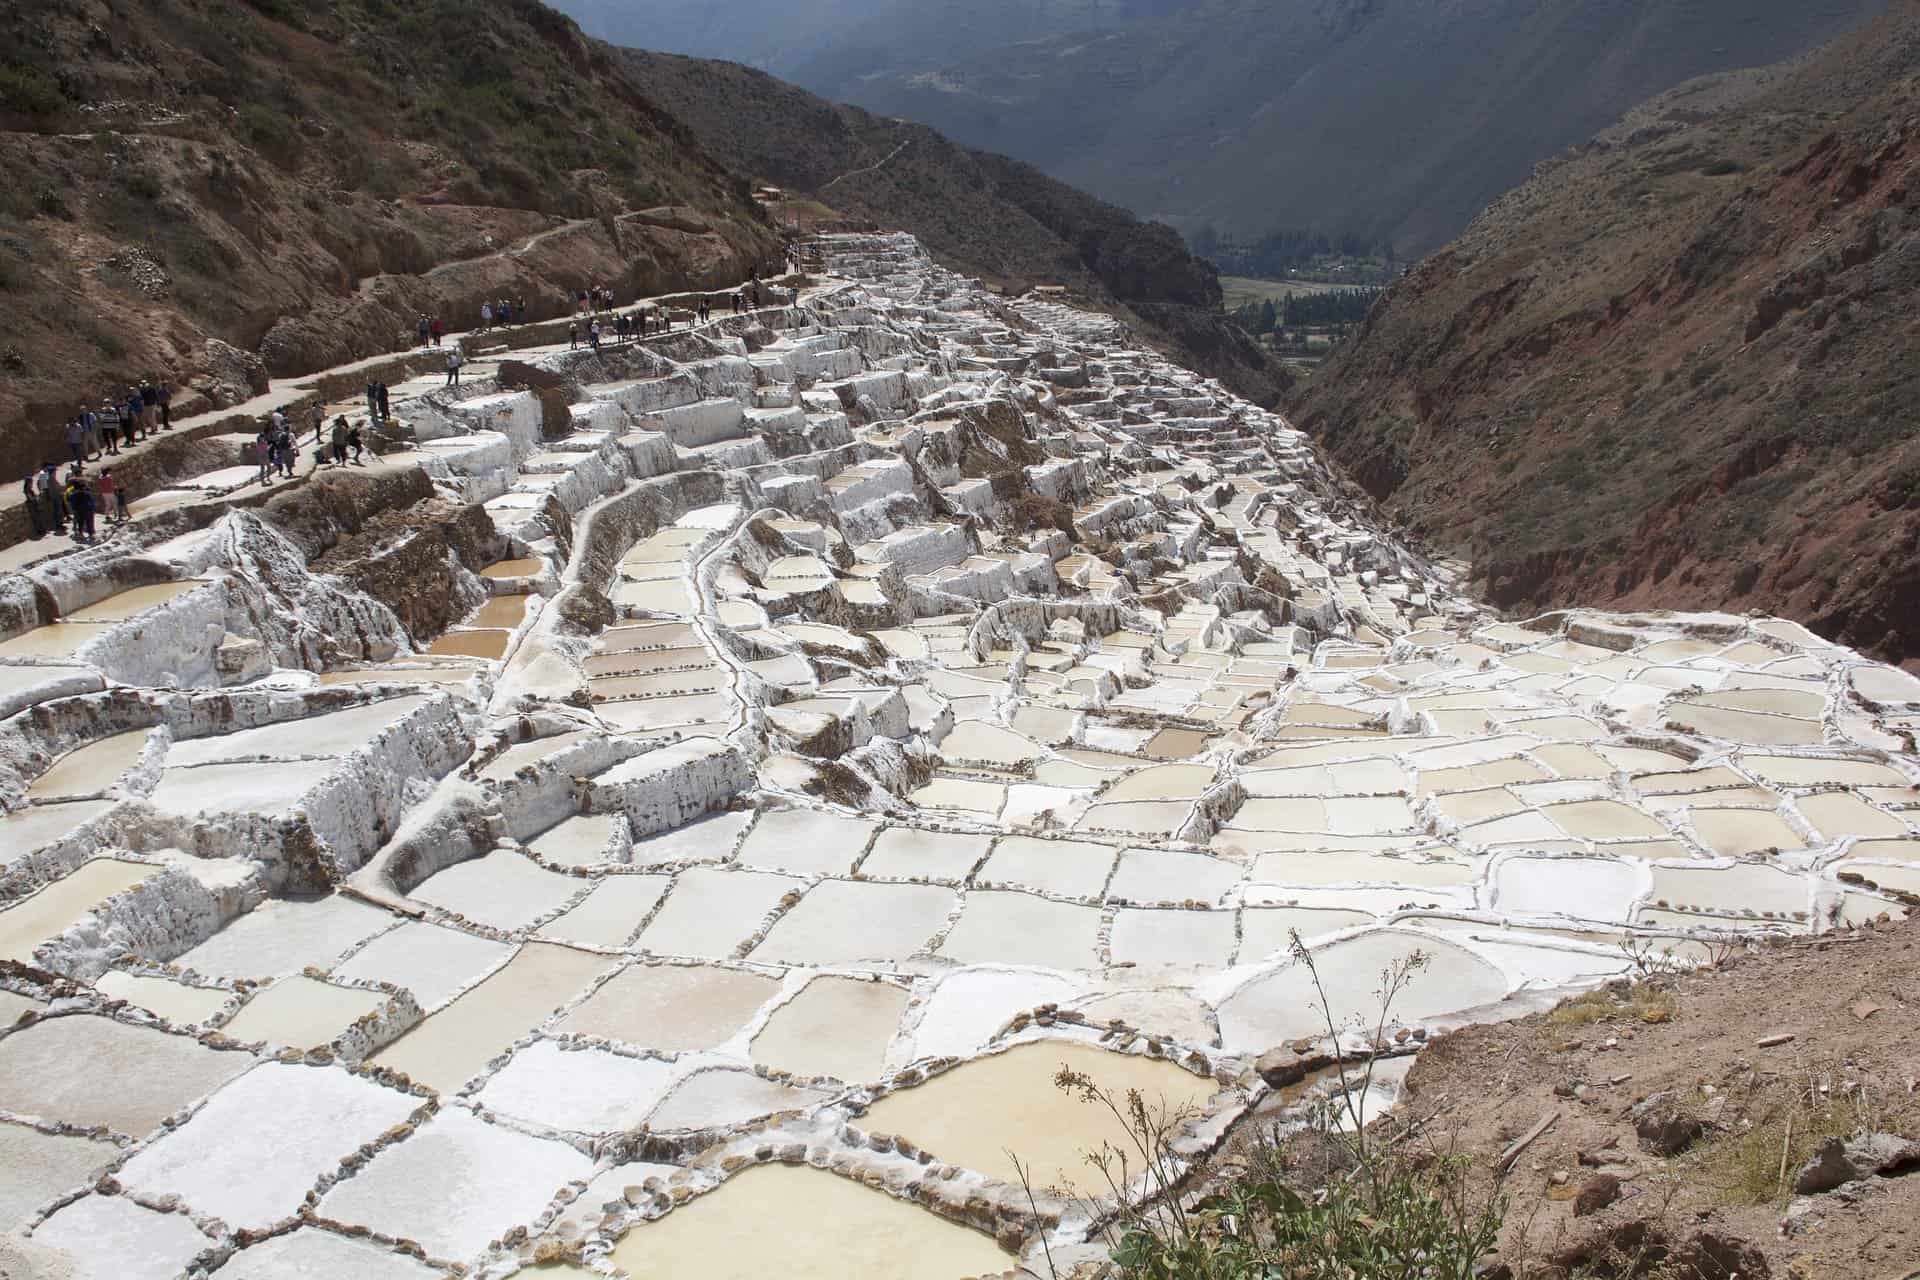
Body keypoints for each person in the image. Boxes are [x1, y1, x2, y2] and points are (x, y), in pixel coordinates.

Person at [67, 474, 95, 543]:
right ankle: (91, 534)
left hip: (79, 510)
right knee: (89, 522)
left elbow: (69, 499)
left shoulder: (74, 494)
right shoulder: (87, 493)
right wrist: (92, 508)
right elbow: (92, 500)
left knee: (80, 522)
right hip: (88, 510)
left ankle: (81, 534)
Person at [22, 474, 43, 538]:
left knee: (38, 518)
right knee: (36, 519)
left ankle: (41, 530)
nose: (32, 483)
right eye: (31, 481)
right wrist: (36, 498)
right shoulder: (27, 490)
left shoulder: (29, 489)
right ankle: (39, 531)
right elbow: (30, 498)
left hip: (34, 505)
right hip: (32, 506)